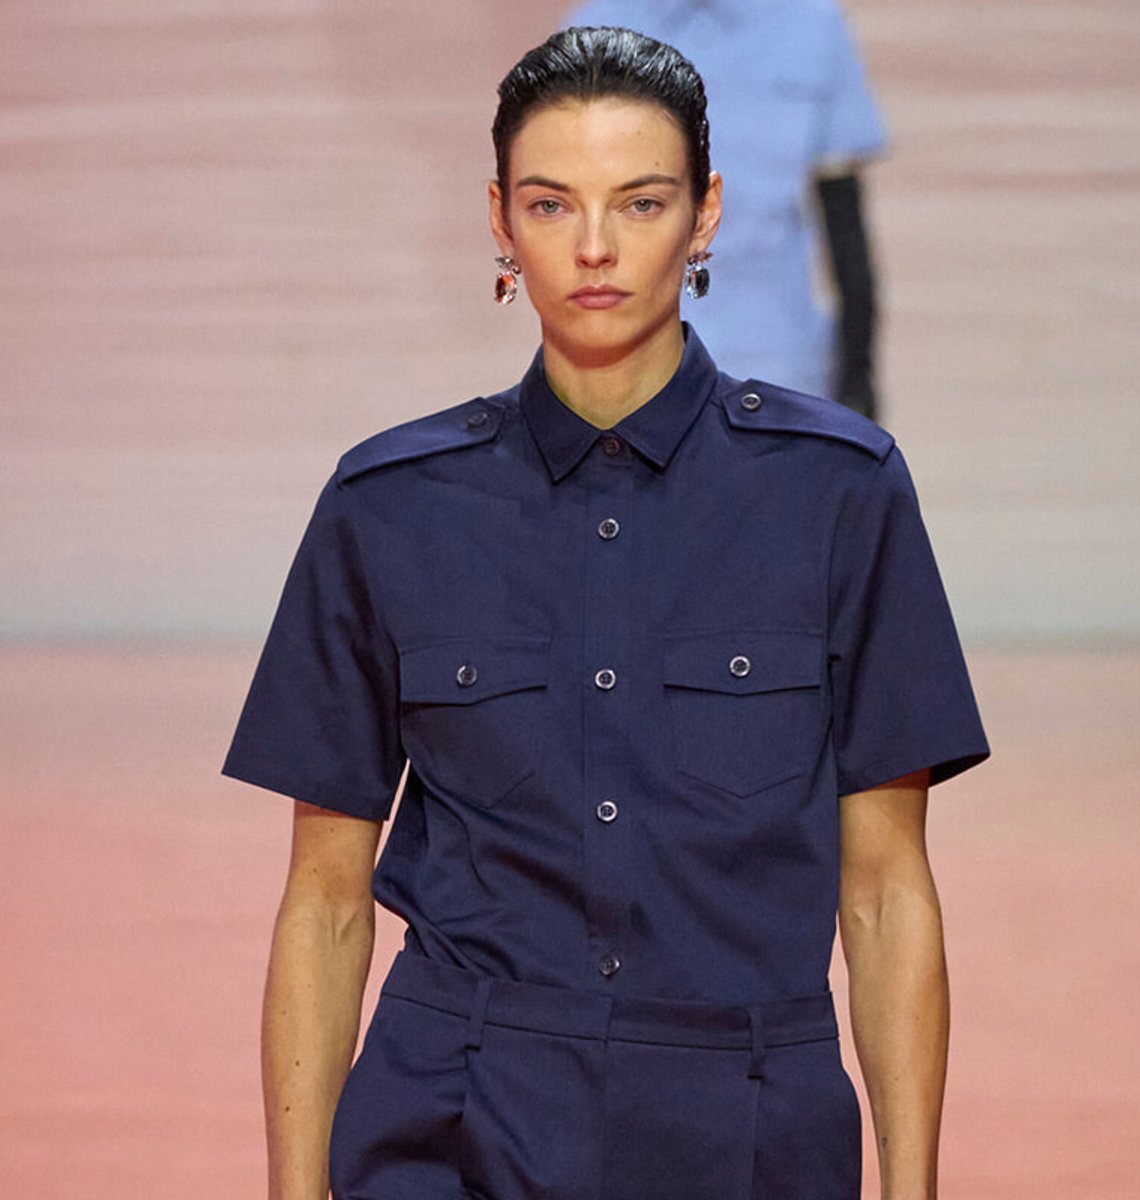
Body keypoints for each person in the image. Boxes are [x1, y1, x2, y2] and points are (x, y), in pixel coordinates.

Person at [223, 25, 988, 1200]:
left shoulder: (839, 493)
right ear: (498, 222)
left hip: (747, 1130)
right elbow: (326, 897)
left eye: (639, 203)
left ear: (706, 215)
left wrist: (916, 1190)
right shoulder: (391, 505)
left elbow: (885, 888)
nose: (592, 248)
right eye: (548, 204)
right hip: (453, 1117)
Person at [563, 0, 888, 418]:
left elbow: (844, 223)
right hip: (627, 380)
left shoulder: (813, 26)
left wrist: (858, 382)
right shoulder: (594, 29)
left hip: (780, 375)